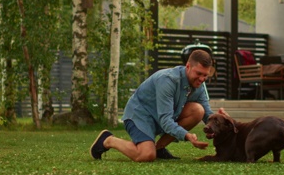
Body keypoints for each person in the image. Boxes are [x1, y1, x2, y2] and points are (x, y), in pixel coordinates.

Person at [90, 49, 224, 162]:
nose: (202, 79)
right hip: (140, 115)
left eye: (205, 75)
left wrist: (223, 121)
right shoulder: (168, 80)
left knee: (198, 110)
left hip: (162, 117)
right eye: (198, 74)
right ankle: (108, 140)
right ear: (188, 67)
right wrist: (187, 135)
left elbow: (207, 115)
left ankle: (159, 148)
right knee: (147, 155)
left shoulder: (199, 84)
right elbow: (165, 121)